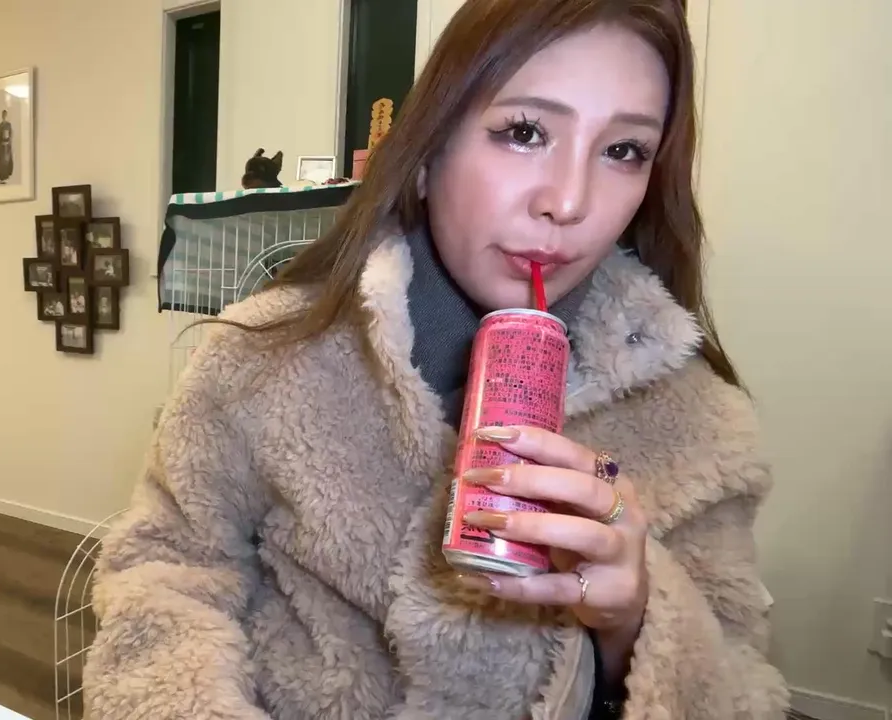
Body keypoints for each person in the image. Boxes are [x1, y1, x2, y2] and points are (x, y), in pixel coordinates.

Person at [86, 0, 787, 718]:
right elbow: (166, 574)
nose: (568, 201)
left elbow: (741, 686)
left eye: (624, 151)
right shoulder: (261, 355)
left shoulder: (701, 423)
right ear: (427, 156)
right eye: (524, 132)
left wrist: (633, 622)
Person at [0, 109, 14, 183]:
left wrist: (8, 142)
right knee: (2, 161)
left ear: (6, 116)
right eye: (3, 115)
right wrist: (0, 144)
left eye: (5, 115)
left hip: (7, 145)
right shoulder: (0, 125)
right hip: (2, 146)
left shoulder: (8, 125)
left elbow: (11, 134)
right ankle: (2, 177)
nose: (4, 116)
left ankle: (6, 176)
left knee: (7, 160)